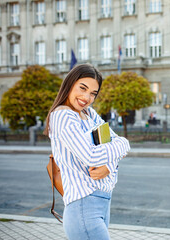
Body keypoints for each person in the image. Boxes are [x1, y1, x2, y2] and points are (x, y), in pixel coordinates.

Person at [43, 64, 130, 239]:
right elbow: (91, 155)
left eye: (93, 93)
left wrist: (110, 166)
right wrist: (121, 147)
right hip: (84, 206)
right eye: (82, 88)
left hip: (102, 202)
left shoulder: (89, 113)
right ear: (70, 83)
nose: (86, 97)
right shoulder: (63, 116)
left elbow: (119, 141)